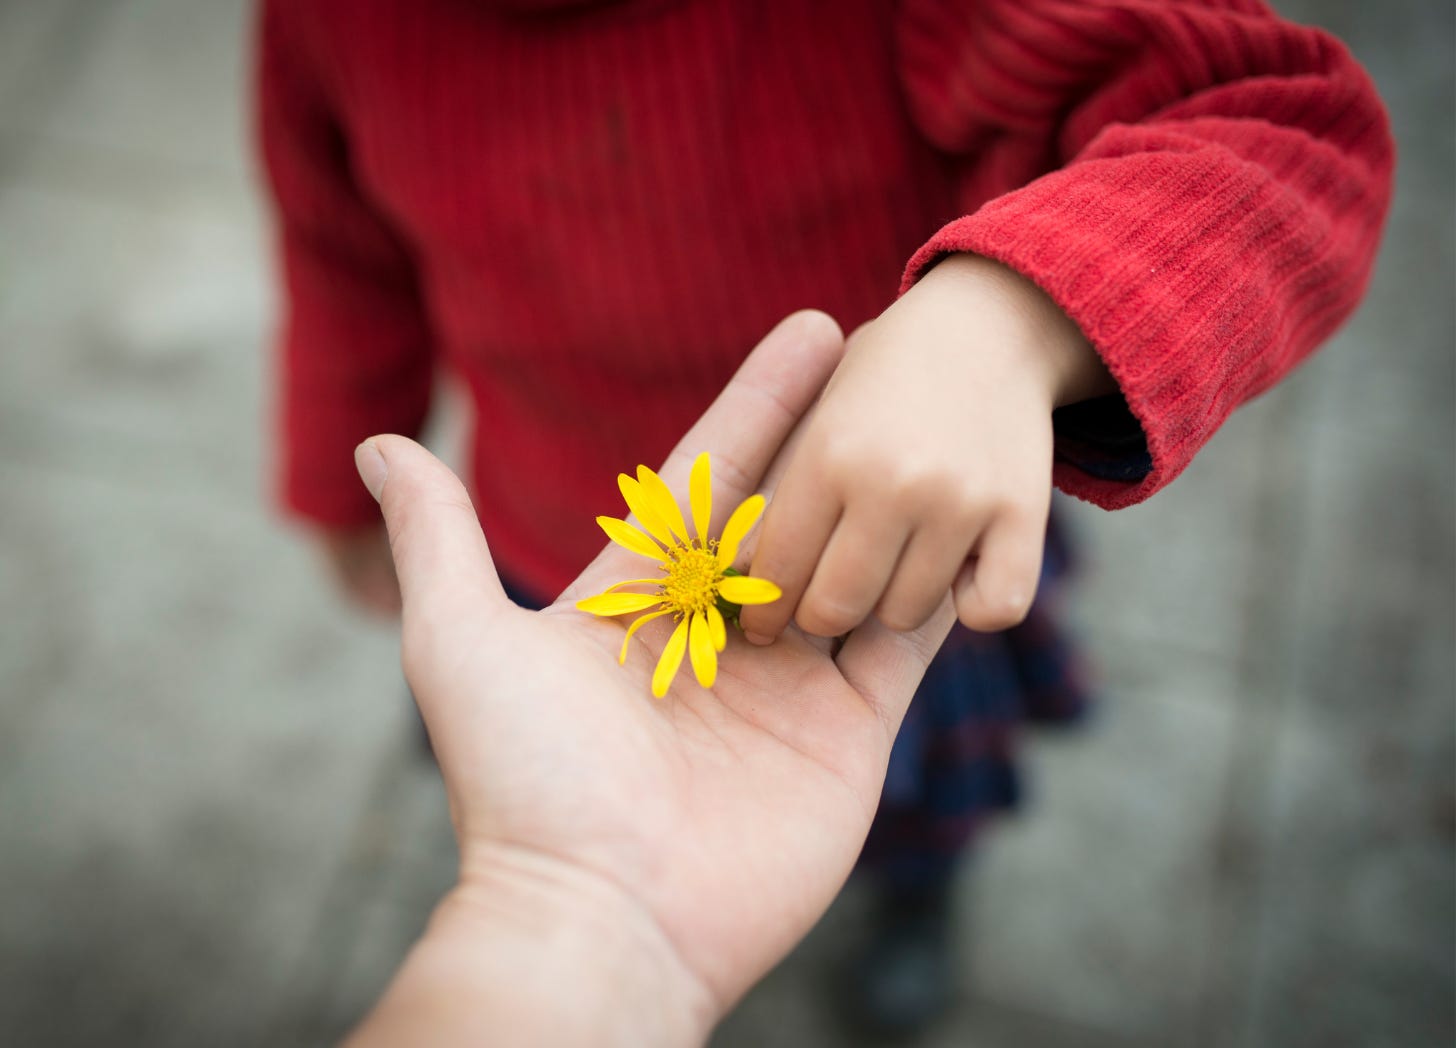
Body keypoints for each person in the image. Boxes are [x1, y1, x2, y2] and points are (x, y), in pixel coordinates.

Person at [256, 0, 1392, 1032]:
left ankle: (915, 894)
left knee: (902, 787)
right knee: (545, 761)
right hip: (560, 559)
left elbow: (1288, 126)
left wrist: (1011, 318)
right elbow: (338, 252)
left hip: (886, 580)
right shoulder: (330, 24)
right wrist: (335, 475)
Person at [343, 321, 960, 1045]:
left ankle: (920, 896)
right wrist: (566, 894)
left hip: (885, 469)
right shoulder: (656, 608)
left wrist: (990, 318)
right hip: (531, 510)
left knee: (929, 774)